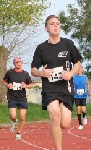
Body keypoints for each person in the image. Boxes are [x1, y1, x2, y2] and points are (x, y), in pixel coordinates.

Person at [31, 15, 82, 150]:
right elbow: (33, 70)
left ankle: (57, 123)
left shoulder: (68, 44)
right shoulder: (41, 48)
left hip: (66, 87)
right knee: (55, 115)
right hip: (50, 87)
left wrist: (70, 74)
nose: (55, 26)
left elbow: (77, 63)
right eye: (52, 24)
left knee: (65, 124)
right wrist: (42, 73)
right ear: (46, 28)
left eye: (57, 23)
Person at [2, 57, 33, 140]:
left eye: (19, 62)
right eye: (16, 62)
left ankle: (18, 133)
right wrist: (8, 85)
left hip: (22, 98)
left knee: (22, 117)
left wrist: (26, 86)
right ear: (14, 64)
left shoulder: (25, 74)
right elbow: (4, 81)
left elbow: (31, 85)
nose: (18, 63)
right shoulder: (10, 73)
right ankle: (13, 121)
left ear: (22, 63)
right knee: (13, 116)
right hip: (12, 97)